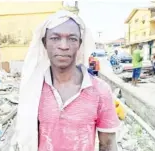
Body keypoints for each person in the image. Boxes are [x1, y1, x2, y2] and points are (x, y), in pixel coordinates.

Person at [9, 10, 120, 151]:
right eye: (55, 38)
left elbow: (108, 144)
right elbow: (27, 137)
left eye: (72, 38)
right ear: (44, 43)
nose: (63, 46)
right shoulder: (34, 89)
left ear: (79, 44)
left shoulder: (99, 90)